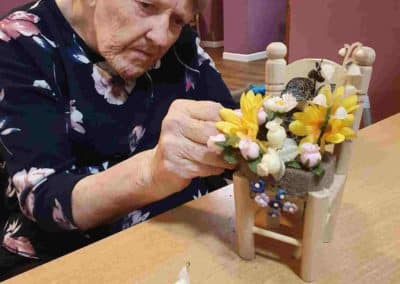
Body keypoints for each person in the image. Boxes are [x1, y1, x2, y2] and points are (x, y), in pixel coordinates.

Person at [0, 0, 237, 277]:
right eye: (146, 5)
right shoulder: (20, 41)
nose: (161, 38)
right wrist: (151, 172)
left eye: (178, 20)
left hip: (182, 236)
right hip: (68, 260)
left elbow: (230, 123)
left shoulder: (179, 41)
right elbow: (44, 196)